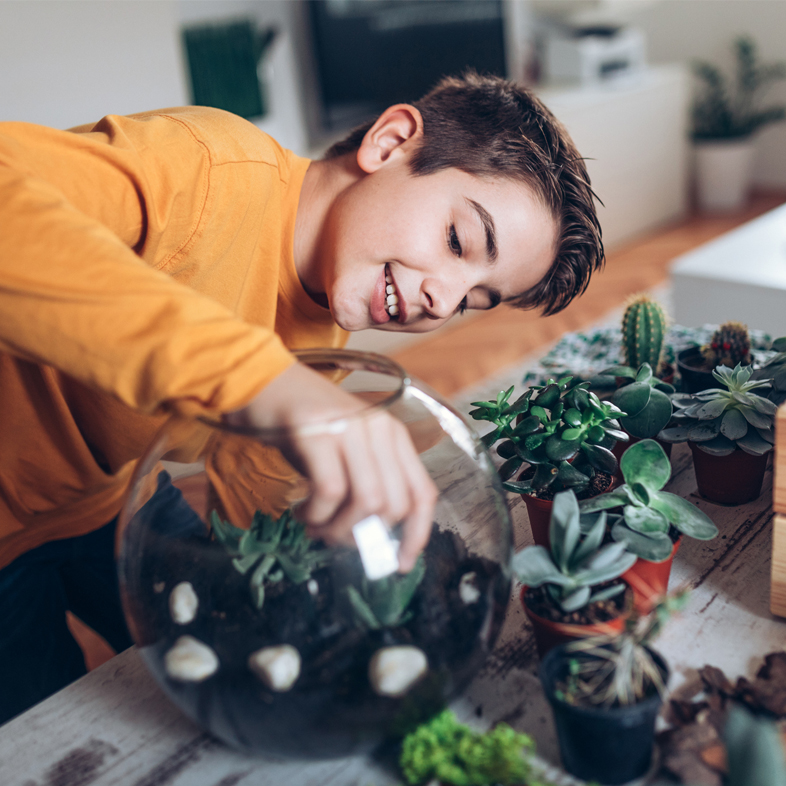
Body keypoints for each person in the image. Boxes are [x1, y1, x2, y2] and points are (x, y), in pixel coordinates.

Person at [0, 71, 603, 723]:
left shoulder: (330, 319)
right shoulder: (203, 167)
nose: (446, 299)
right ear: (391, 142)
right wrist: (259, 380)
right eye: (458, 241)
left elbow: (256, 480)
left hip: (113, 499)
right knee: (48, 722)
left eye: (475, 299)